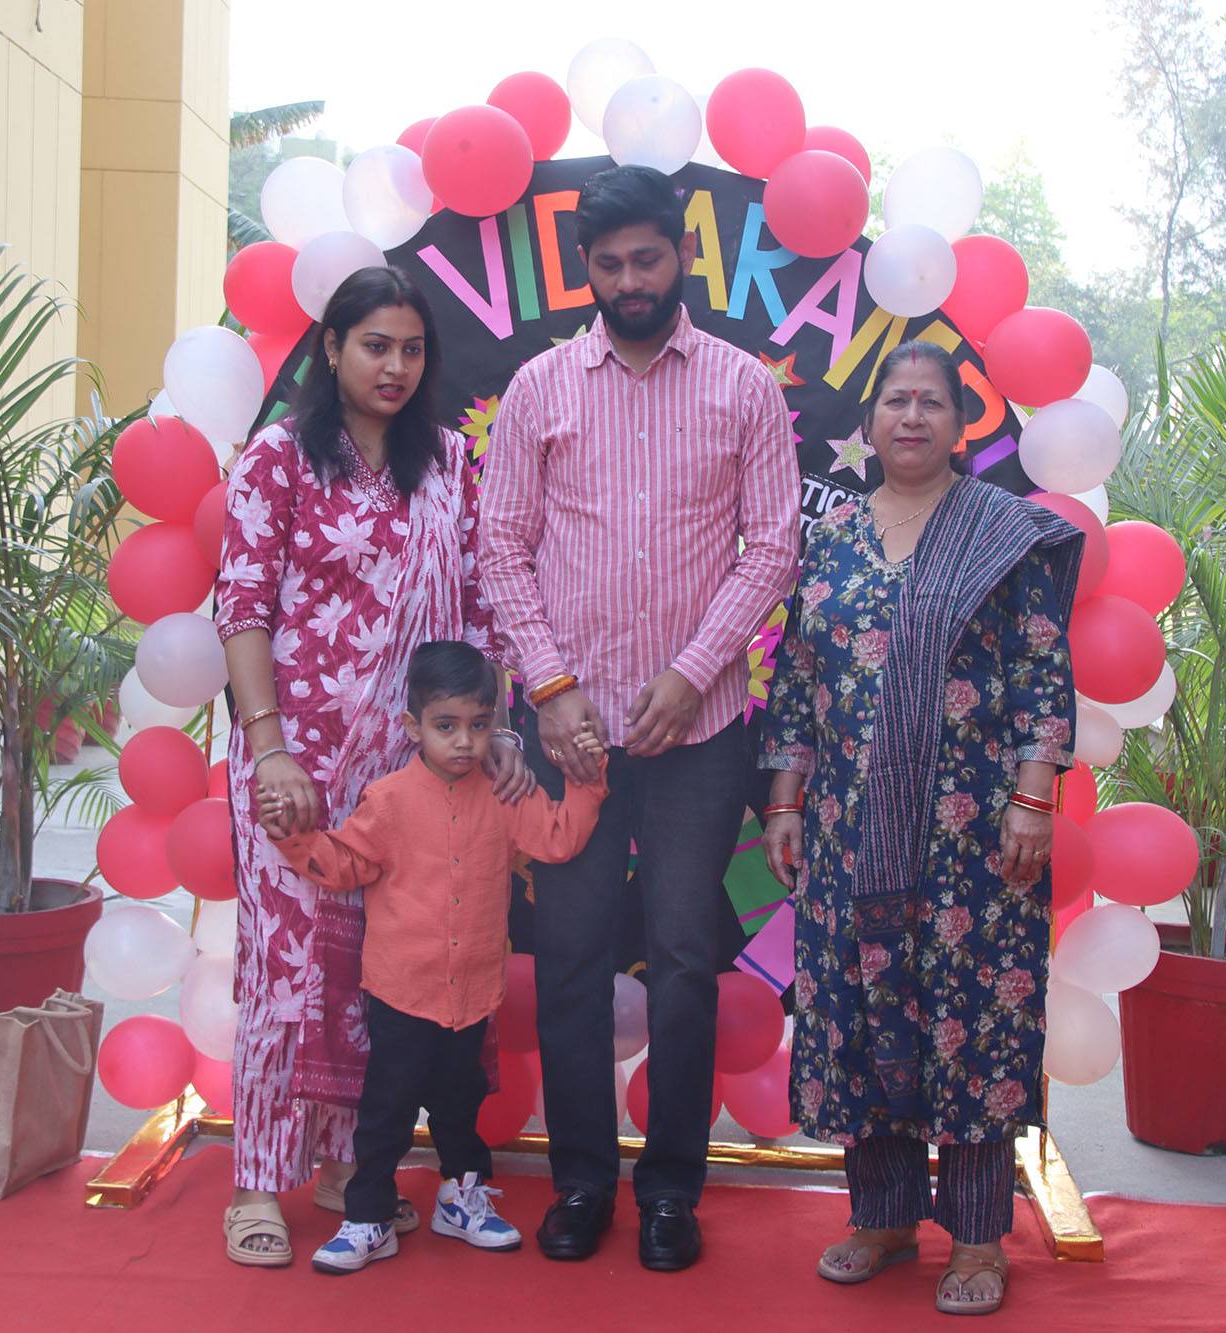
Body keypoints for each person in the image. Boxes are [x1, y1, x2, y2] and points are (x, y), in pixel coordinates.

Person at [478, 163, 800, 1272]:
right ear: (587, 270)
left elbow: (773, 545)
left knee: (682, 958)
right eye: (609, 265)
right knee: (569, 957)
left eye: (647, 260)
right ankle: (579, 1183)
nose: (629, 281)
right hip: (568, 736)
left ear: (682, 256)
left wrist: (694, 671)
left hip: (698, 734)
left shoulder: (743, 387)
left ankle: (669, 1191)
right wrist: (553, 687)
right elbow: (501, 545)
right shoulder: (539, 387)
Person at [214, 267, 534, 1268]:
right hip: (297, 766)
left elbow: (478, 604)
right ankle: (254, 1183)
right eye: (374, 345)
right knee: (286, 972)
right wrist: (269, 748)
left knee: (379, 978)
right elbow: (241, 607)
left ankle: (346, 1171)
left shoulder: (448, 462)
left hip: (415, 773)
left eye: (411, 348)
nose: (395, 366)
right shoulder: (278, 459)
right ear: (331, 349)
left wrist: (494, 730)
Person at [758, 342, 1082, 1316]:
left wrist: (1034, 796)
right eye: (894, 400)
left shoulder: (999, 533)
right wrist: (784, 799)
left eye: (930, 402)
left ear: (960, 423)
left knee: (968, 1022)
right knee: (861, 1019)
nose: (910, 416)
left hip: (971, 839)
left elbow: (1039, 666)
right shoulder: (834, 537)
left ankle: (978, 1240)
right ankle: (883, 1217)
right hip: (847, 836)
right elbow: (798, 679)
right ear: (870, 422)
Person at [260, 640, 609, 1273]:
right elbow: (344, 864)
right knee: (385, 1111)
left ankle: (461, 1199)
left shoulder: (506, 794)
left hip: (470, 995)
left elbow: (558, 839)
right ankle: (369, 1216)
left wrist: (588, 782)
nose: (465, 742)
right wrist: (293, 836)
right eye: (446, 726)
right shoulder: (389, 799)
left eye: (478, 725)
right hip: (400, 992)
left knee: (460, 1107)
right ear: (412, 726)